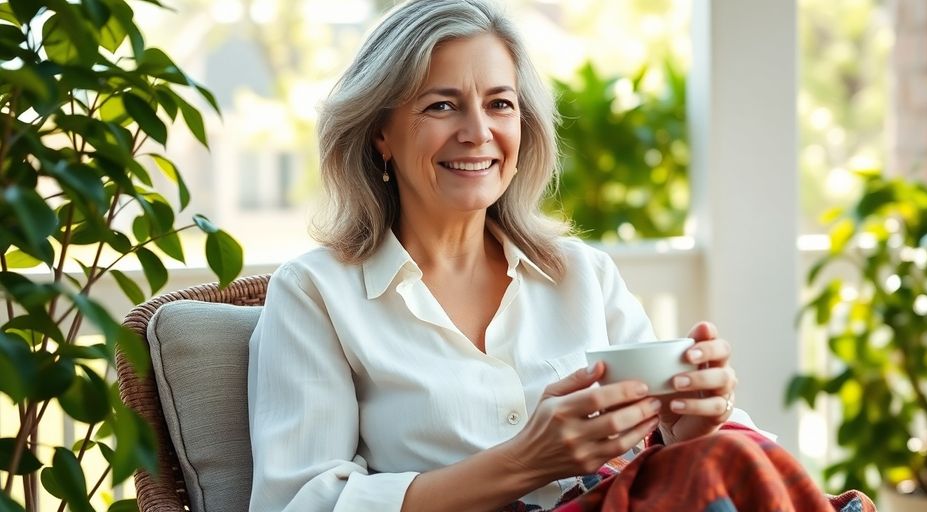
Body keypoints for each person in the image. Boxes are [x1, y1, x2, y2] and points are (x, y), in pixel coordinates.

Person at [247, 1, 874, 511]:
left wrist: (688, 421)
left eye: (500, 103)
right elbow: (296, 504)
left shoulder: (580, 274)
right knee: (733, 463)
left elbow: (662, 436)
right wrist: (525, 462)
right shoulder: (316, 294)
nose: (478, 132)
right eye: (441, 105)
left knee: (727, 449)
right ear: (379, 131)